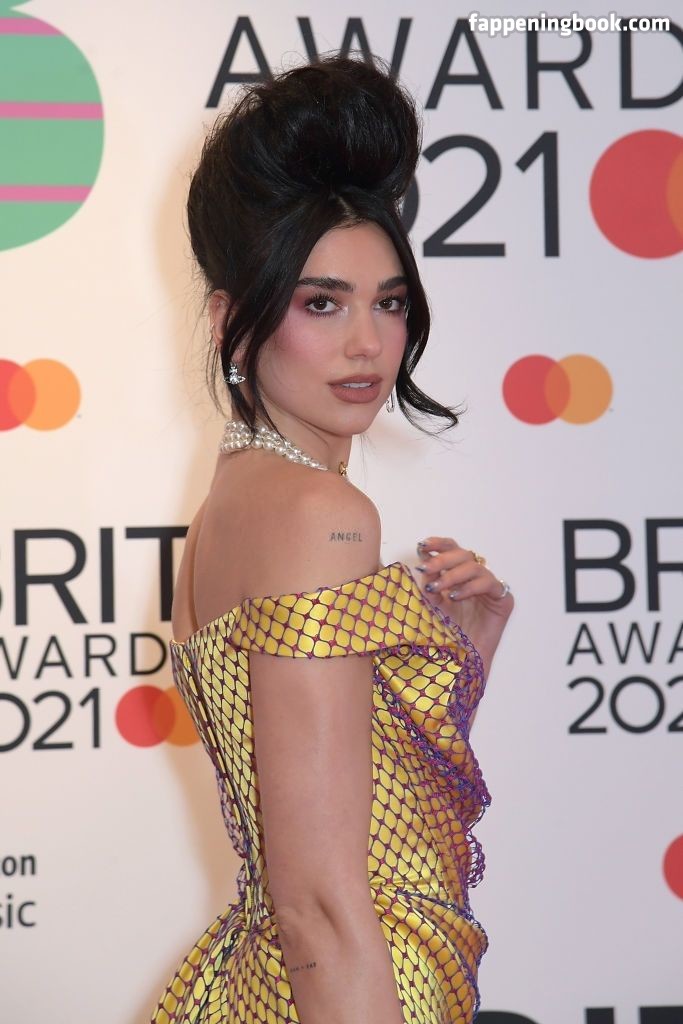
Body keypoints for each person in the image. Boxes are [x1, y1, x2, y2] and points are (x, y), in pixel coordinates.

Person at [151, 52, 514, 1024]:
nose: (366, 343)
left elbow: (360, 818)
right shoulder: (321, 514)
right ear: (232, 321)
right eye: (321, 303)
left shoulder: (234, 504)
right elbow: (317, 899)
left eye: (387, 301)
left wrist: (460, 656)